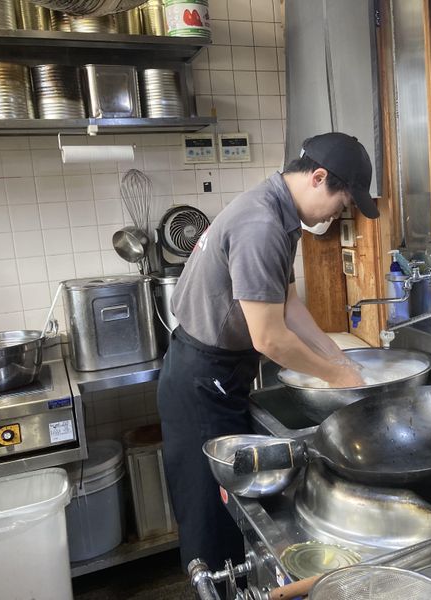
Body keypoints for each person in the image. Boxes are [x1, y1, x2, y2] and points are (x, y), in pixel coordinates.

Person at [156, 132, 379, 580]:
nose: (339, 214)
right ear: (318, 178)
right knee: (213, 514)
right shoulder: (261, 224)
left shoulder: (280, 212)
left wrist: (338, 357)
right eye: (341, 203)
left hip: (218, 372)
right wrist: (335, 377)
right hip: (202, 380)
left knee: (228, 506)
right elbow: (270, 340)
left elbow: (289, 306)